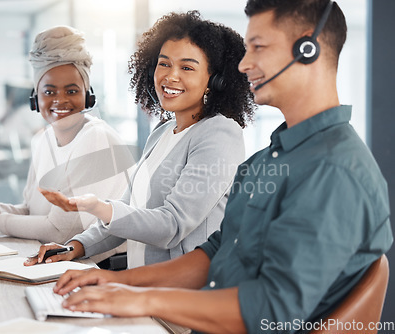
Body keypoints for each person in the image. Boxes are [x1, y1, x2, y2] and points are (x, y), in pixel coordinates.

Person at [39, 1, 393, 333]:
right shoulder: (272, 157)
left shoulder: (331, 171)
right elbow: (217, 251)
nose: (242, 64)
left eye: (258, 47)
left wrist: (140, 298)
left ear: (307, 51)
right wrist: (117, 282)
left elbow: (274, 310)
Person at [25, 11, 254, 268]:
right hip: (143, 289)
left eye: (187, 67)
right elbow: (127, 213)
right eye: (164, 63)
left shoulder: (220, 134)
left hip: (184, 295)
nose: (170, 76)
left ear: (215, 80)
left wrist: (100, 208)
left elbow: (172, 224)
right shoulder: (163, 132)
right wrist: (75, 246)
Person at [0, 26, 133, 263]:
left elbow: (61, 232)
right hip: (59, 262)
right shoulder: (42, 140)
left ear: (88, 96)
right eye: (49, 91)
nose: (60, 100)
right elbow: (31, 212)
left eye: (72, 91)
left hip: (99, 268)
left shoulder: (96, 138)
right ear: (35, 98)